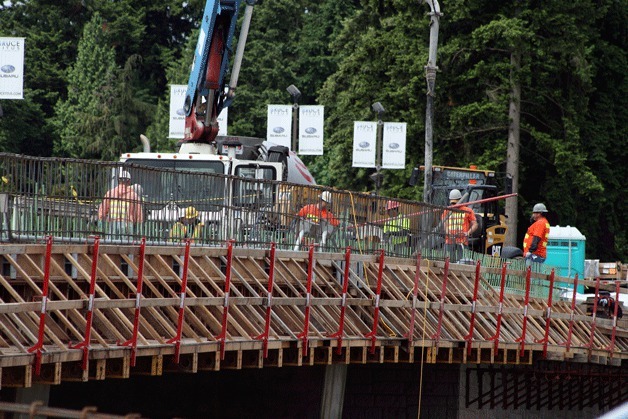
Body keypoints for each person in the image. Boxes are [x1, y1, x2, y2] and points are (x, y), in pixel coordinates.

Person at [98, 170, 143, 239]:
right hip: (128, 225)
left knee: (111, 245)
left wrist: (101, 224)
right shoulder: (133, 196)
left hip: (112, 224)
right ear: (129, 181)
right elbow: (138, 214)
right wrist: (138, 229)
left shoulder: (110, 193)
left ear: (118, 180)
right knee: (126, 247)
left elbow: (102, 211)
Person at [442, 189, 478, 261]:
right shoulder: (447, 211)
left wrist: (467, 233)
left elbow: (475, 225)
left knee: (461, 262)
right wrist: (449, 233)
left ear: (460, 200)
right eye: (452, 203)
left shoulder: (467, 211)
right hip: (449, 242)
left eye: (455, 203)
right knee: (448, 262)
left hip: (462, 242)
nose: (453, 205)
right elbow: (444, 225)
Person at [523, 203, 550, 267]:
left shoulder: (540, 223)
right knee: (533, 274)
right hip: (537, 254)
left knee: (530, 274)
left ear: (539, 213)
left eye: (534, 213)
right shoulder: (544, 222)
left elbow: (537, 238)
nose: (533, 215)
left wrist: (530, 251)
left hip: (535, 254)